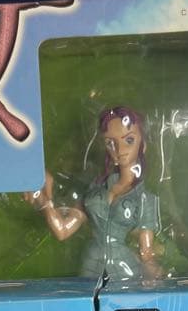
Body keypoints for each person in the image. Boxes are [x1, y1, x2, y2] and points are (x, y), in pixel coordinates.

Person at [24, 106, 161, 281]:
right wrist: (44, 198)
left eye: (129, 140)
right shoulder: (94, 189)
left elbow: (146, 252)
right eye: (110, 142)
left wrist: (157, 279)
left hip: (124, 269)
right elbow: (62, 231)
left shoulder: (146, 199)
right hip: (91, 264)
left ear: (143, 145)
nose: (119, 149)